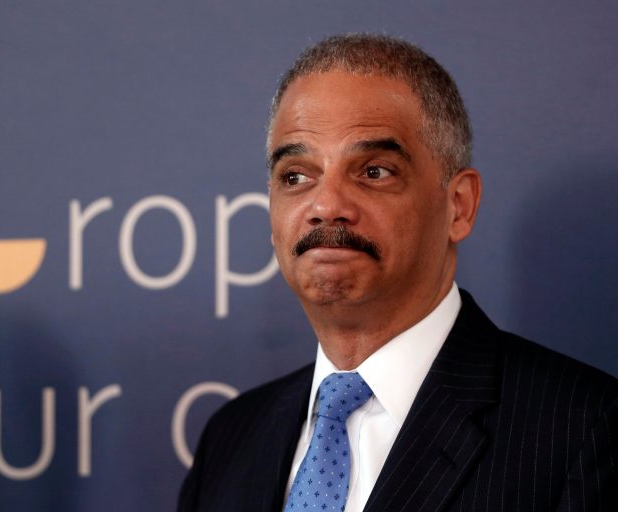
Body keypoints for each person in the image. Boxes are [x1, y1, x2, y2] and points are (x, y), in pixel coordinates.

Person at [177, 34, 618, 512]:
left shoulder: (584, 430)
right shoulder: (231, 438)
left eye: (374, 172)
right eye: (296, 176)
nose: (325, 205)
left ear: (459, 206)